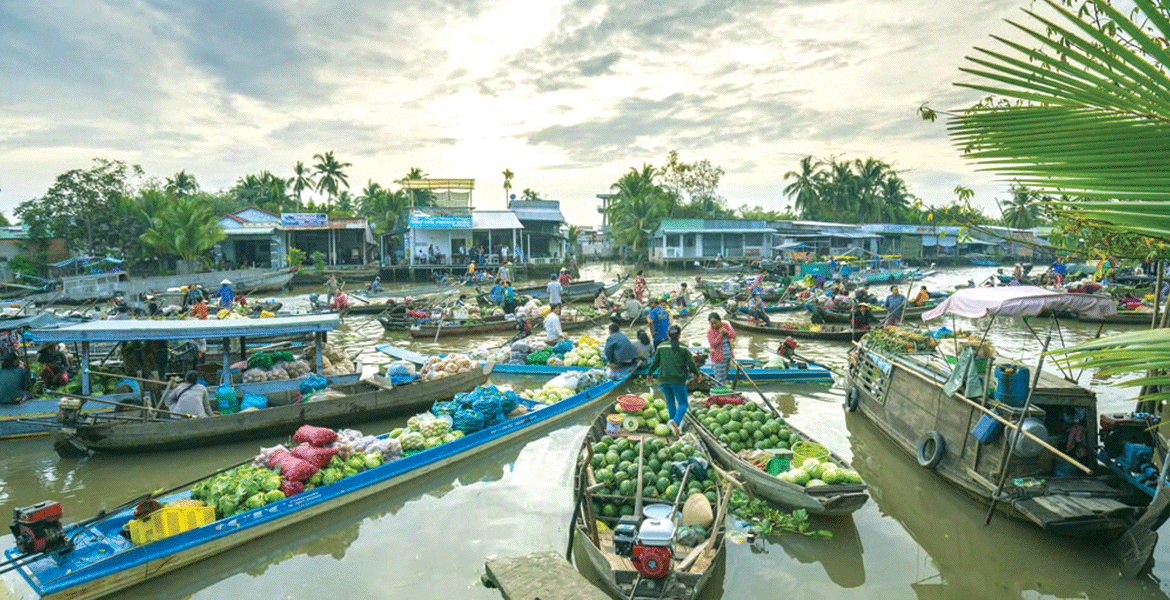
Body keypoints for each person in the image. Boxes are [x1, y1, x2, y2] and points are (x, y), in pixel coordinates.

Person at [646, 324, 700, 436]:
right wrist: (697, 374)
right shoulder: (684, 348)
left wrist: (649, 373)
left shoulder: (661, 347)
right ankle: (675, 422)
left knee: (670, 402)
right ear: (679, 335)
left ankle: (673, 427)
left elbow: (655, 362)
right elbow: (691, 364)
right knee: (683, 404)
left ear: (668, 335)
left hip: (663, 379)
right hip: (678, 380)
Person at [707, 313, 736, 385]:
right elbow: (713, 344)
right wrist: (720, 335)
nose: (714, 325)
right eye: (712, 323)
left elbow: (733, 335)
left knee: (725, 375)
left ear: (719, 321)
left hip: (728, 356)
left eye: (715, 323)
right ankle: (719, 393)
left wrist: (727, 332)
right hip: (718, 358)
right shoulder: (710, 331)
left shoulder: (725, 325)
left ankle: (721, 391)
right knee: (719, 377)